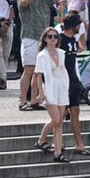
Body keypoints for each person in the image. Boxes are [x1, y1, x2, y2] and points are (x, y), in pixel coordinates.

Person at [37, 14, 90, 159]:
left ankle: (78, 144)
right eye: (78, 25)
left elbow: (74, 61)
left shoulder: (72, 40)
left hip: (73, 82)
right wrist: (42, 90)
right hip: (61, 84)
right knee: (59, 117)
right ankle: (45, 139)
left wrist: (78, 81)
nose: (53, 39)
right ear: (73, 25)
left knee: (75, 112)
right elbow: (42, 70)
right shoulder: (59, 39)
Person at [18, 0, 59, 111]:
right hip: (29, 38)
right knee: (28, 70)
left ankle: (34, 100)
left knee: (38, 72)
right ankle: (23, 100)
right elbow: (25, 1)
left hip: (43, 40)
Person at [34, 27, 72, 163]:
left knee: (60, 122)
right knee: (55, 120)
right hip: (50, 87)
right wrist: (40, 91)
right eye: (50, 37)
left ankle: (58, 153)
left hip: (61, 87)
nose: (53, 39)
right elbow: (38, 74)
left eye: (55, 36)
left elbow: (63, 71)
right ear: (45, 39)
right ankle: (41, 139)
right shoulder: (42, 55)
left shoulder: (61, 53)